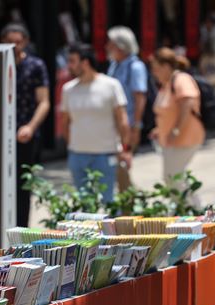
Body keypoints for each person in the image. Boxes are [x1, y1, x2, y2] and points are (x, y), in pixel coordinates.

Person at [59, 44, 132, 203]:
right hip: (77, 155)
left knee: (108, 204)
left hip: (105, 155)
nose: (68, 66)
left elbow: (122, 120)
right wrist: (72, 145)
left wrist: (125, 149)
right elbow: (64, 121)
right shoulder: (68, 89)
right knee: (84, 206)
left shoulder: (111, 85)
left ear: (85, 62)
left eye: (72, 61)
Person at [0, 23, 50, 227]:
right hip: (0, 133)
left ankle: (20, 230)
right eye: (9, 42)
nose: (14, 46)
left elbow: (44, 101)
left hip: (25, 133)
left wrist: (31, 126)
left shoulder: (35, 65)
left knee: (22, 186)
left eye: (18, 42)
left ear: (26, 43)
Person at [149, 48, 205, 205]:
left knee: (173, 177)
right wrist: (159, 130)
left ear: (166, 66)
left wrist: (175, 130)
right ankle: (192, 209)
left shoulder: (181, 79)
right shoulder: (167, 84)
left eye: (155, 68)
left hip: (184, 138)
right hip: (172, 141)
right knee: (175, 177)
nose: (154, 72)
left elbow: (186, 104)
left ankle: (191, 210)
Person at [106, 26, 148, 191]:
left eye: (110, 43)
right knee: (117, 167)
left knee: (123, 165)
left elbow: (140, 98)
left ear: (120, 46)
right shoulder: (114, 65)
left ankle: (129, 205)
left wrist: (136, 126)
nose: (106, 47)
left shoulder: (136, 67)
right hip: (113, 125)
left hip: (127, 124)